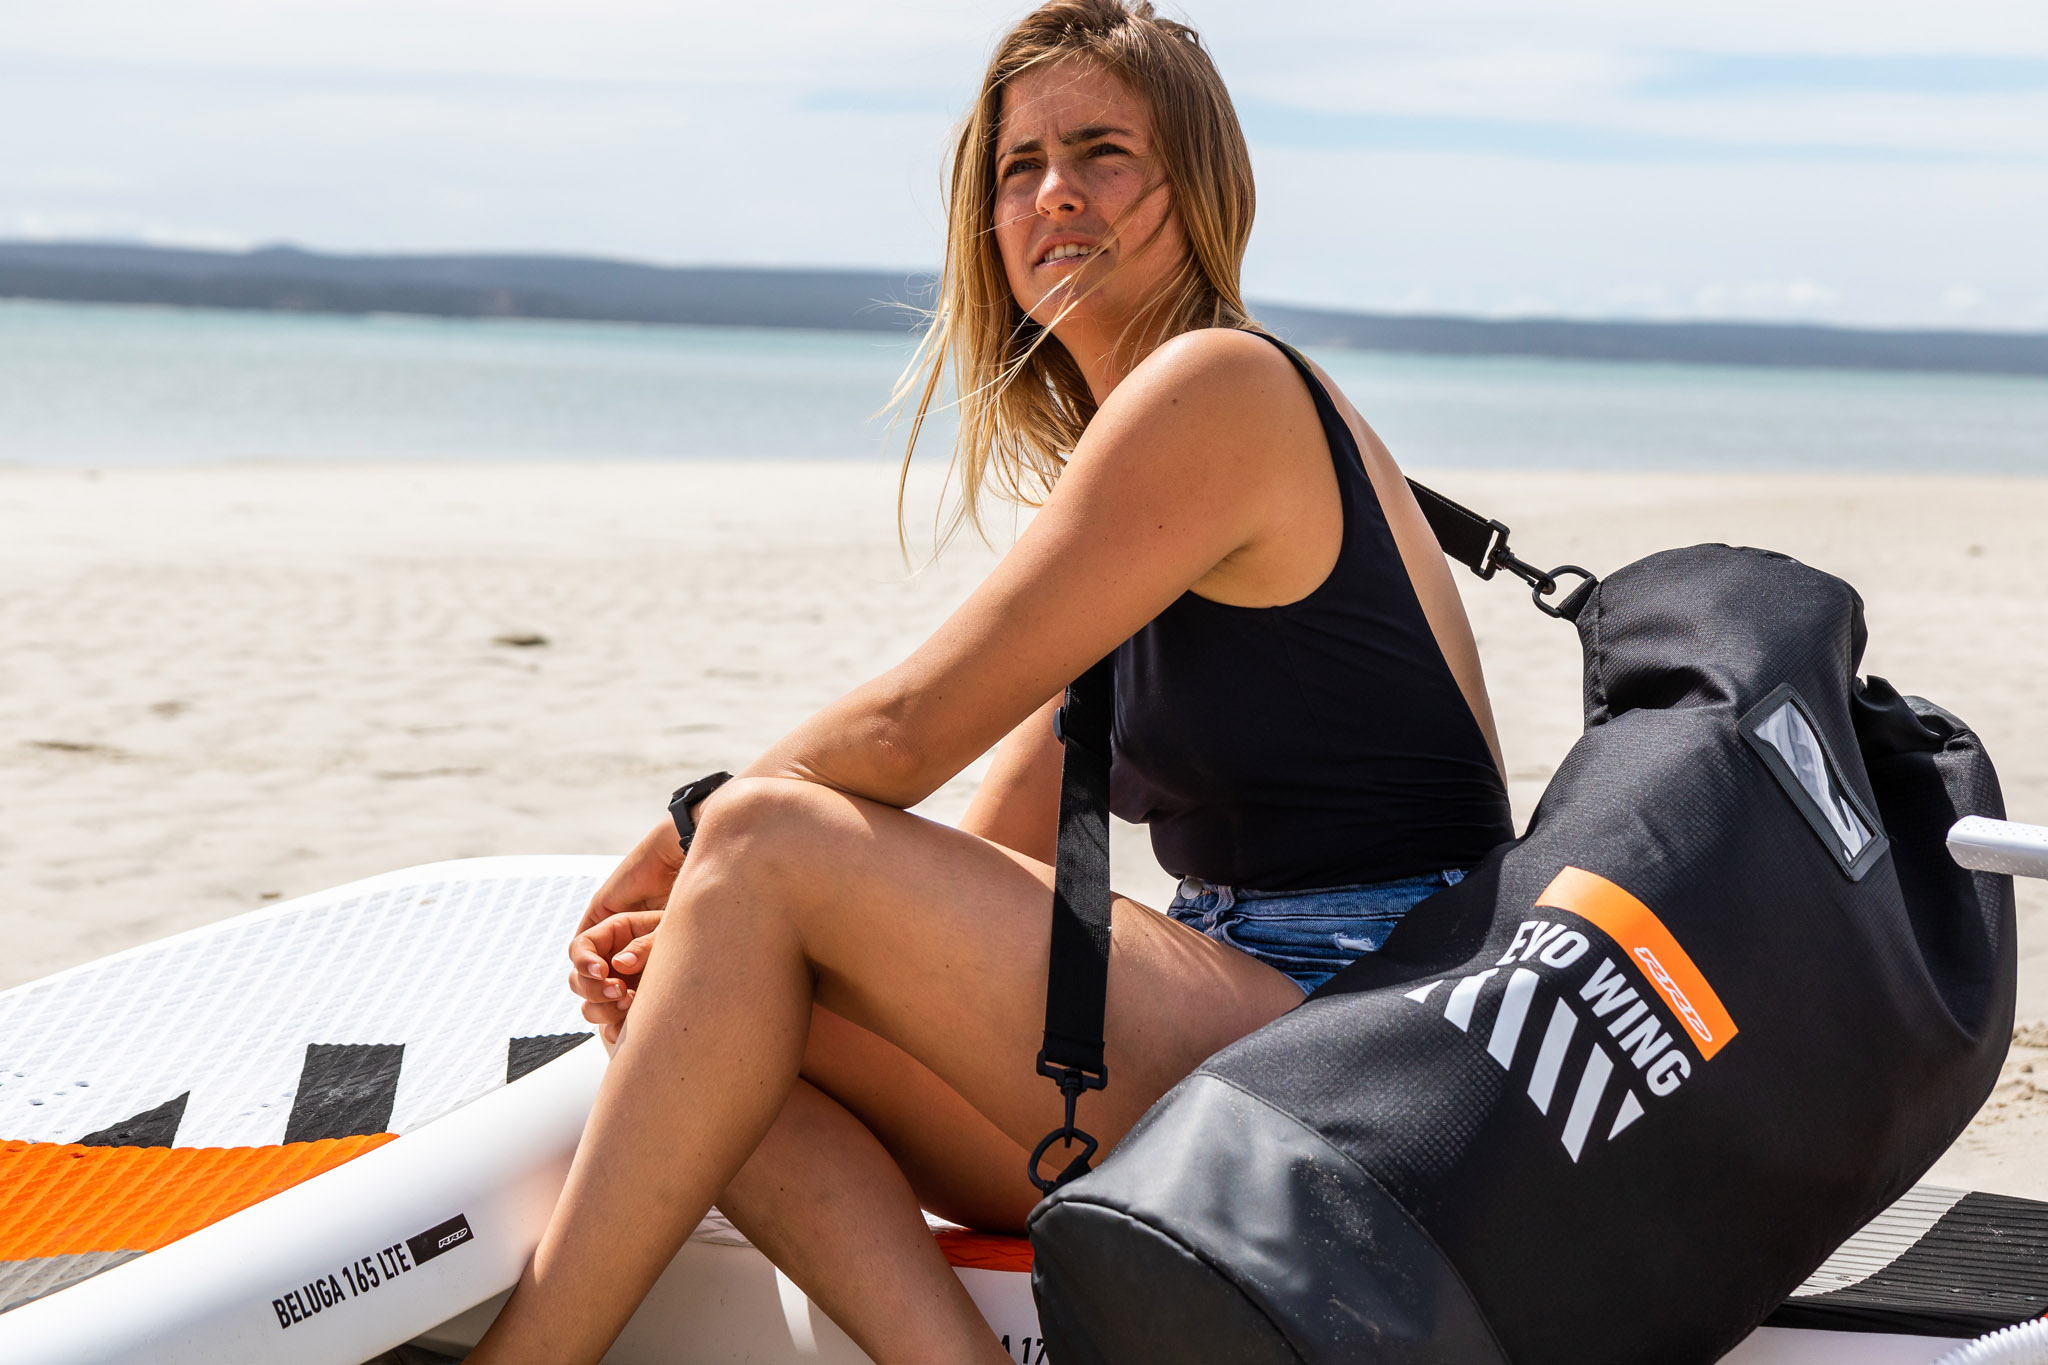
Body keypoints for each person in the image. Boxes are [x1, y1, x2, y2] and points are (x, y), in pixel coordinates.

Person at [467, 2, 1511, 1360]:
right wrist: (711, 944)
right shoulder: (1133, 471)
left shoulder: (1221, 389)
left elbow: (905, 734)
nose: (1054, 193)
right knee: (709, 1007)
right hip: (1247, 1024)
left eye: (1103, 153)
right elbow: (995, 854)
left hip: (1371, 1039)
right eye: (1022, 166)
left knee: (762, 839)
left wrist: (681, 845)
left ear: (1200, 186)